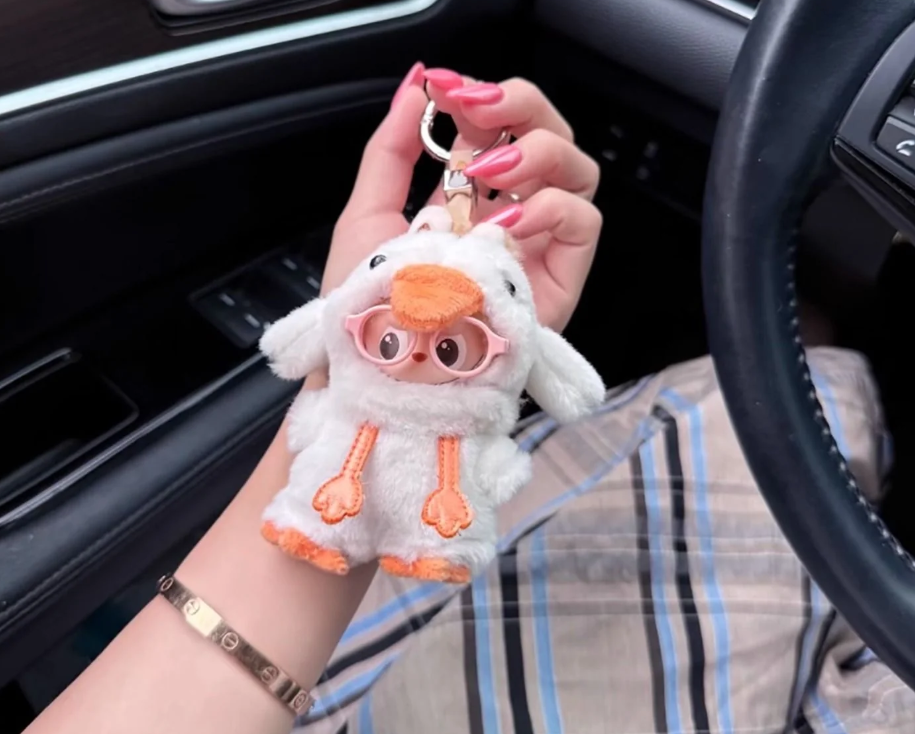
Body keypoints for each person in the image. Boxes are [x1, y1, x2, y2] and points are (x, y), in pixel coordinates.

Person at [23, 65, 915, 734]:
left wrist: (355, 372)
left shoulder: (368, 337)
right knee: (817, 387)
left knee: (778, 396)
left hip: (310, 637)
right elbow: (562, 391)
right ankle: (818, 345)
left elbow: (316, 348)